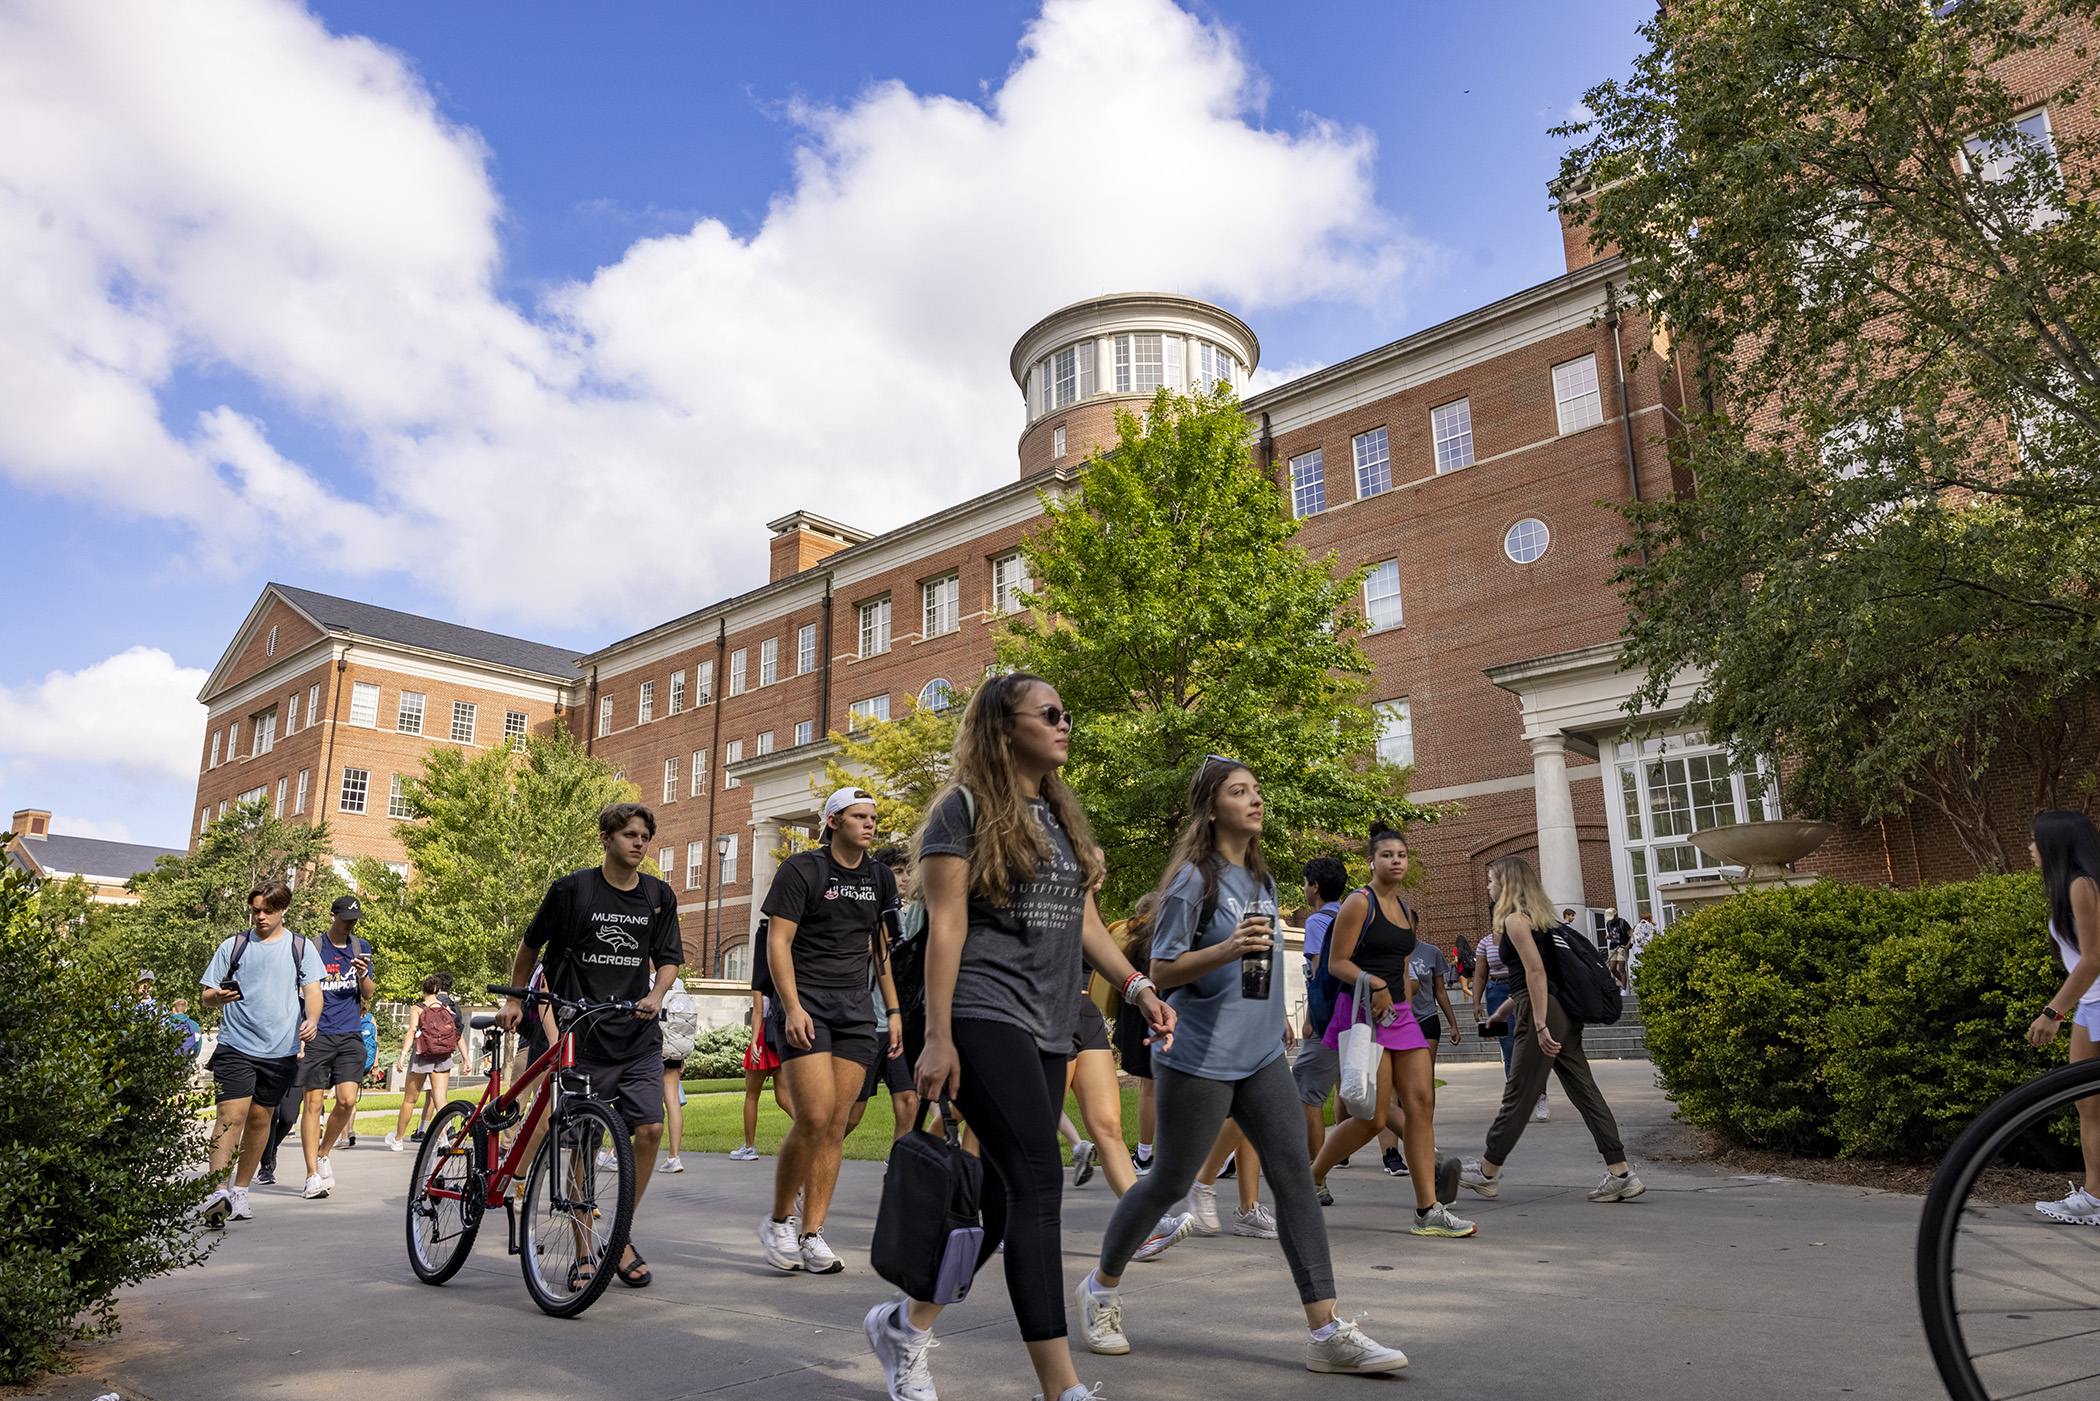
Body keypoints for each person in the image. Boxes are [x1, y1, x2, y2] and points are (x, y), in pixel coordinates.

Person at [862, 672, 1173, 1401]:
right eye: (1050, 713)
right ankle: (1061, 1388)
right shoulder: (960, 810)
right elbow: (946, 926)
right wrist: (938, 1035)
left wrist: (1137, 985)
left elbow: (1087, 924)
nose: (1066, 723)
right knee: (1039, 1177)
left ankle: (904, 1326)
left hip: (1051, 1019)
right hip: (981, 1011)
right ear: (1005, 728)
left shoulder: (1062, 817)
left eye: (1067, 712)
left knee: (1003, 1202)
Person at [1077, 758, 1412, 1378]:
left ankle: (1327, 1330)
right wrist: (1227, 948)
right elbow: (1167, 968)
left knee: (1294, 1181)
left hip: (1259, 1056)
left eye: (1257, 789)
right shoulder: (1191, 881)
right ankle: (1100, 1287)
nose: (1255, 800)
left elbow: (1256, 962)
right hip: (1199, 1055)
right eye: (1239, 792)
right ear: (1211, 809)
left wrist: (1272, 1016)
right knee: (1170, 1183)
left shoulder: (1262, 878)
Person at [498, 801, 683, 1288]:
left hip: (637, 1033)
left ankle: (618, 1232)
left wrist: (656, 993)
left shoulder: (658, 896)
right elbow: (531, 944)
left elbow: (667, 959)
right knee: (585, 1141)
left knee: (649, 1131)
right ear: (605, 837)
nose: (639, 842)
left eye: (645, 835)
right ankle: (584, 1249)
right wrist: (518, 999)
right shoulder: (573, 890)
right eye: (629, 834)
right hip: (582, 1035)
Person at [759, 787, 904, 1275]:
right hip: (807, 1004)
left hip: (855, 1009)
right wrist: (792, 1007)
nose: (870, 824)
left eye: (874, 817)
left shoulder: (880, 876)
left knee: (838, 1123)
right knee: (814, 1116)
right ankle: (780, 1220)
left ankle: (812, 1233)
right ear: (834, 820)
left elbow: (879, 947)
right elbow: (778, 943)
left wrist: (895, 1011)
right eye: (860, 816)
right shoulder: (802, 870)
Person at [1307, 825, 1474, 1236]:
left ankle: (1427, 1210)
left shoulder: (1401, 908)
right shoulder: (1357, 904)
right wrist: (1376, 984)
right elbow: (1336, 963)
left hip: (1400, 1015)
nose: (1396, 860)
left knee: (1421, 1104)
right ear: (1372, 861)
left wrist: (1403, 995)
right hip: (1363, 1012)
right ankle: (1311, 1177)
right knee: (1374, 1117)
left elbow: (1402, 962)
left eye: (1401, 854)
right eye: (1387, 855)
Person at [1459, 856, 1643, 1203]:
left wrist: (1540, 1024)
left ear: (1506, 883)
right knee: (1584, 1089)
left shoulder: (1514, 920)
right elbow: (1537, 978)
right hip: (1560, 1011)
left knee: (1520, 1092)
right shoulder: (1542, 920)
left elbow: (1535, 974)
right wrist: (1502, 1009)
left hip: (1541, 1011)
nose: (1488, 887)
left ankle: (1486, 1172)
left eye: (1491, 880)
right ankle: (1620, 1172)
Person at [197, 881, 325, 1226]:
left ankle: (240, 1191)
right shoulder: (234, 945)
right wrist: (217, 998)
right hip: (236, 1044)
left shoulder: (300, 947)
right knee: (230, 1115)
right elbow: (207, 994)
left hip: (279, 1050)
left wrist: (311, 1020)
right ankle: (217, 1191)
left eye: (268, 910)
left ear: (283, 910)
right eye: (255, 910)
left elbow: (313, 992)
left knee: (259, 1119)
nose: (260, 916)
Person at [2026, 811, 2100, 1223]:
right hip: (2092, 1005)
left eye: (2035, 841)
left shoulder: (2082, 886)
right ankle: (2094, 1198)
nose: (2031, 848)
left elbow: (2094, 960)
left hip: (2097, 1001)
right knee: (2087, 1104)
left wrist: (2053, 1012)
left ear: (2057, 844)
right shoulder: (2075, 885)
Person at [293, 895, 372, 1199]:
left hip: (350, 1032)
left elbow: (368, 993)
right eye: (346, 918)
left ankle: (324, 1152)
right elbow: (300, 991)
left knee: (347, 1101)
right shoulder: (312, 949)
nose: (351, 923)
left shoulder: (359, 947)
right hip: (318, 1034)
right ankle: (312, 1174)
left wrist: (363, 973)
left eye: (355, 919)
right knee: (312, 1104)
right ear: (332, 916)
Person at [845, 845, 921, 1143]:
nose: (905, 879)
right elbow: (853, 956)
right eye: (898, 872)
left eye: (907, 872)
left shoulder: (902, 917)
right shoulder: (860, 911)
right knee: (851, 1114)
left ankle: (898, 1172)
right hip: (862, 1025)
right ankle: (810, 1165)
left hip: (894, 1027)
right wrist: (879, 940)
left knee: (909, 1102)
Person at [1383, 924, 1461, 1179]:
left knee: (1422, 1084)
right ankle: (1392, 1153)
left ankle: (1424, 1135)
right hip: (1393, 1021)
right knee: (1391, 1089)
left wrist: (1452, 1023)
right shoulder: (1385, 952)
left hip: (1425, 1020)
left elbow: (1439, 990)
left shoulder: (1431, 952)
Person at [732, 988, 793, 1160]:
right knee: (783, 1097)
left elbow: (758, 1012)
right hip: (780, 1037)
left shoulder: (761, 978)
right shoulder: (784, 976)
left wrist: (752, 1042)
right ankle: (812, 1131)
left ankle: (749, 1147)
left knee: (751, 1096)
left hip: (762, 1036)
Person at [660, 974, 698, 1173]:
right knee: (673, 1102)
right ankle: (674, 1157)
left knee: (639, 1099)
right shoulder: (679, 984)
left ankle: (616, 1154)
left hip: (654, 1047)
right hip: (675, 1049)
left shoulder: (650, 981)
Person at [1604, 906, 1633, 989]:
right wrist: (1609, 937)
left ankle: (1624, 988)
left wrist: (1626, 947)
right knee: (1612, 968)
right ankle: (1625, 984)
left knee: (1622, 967)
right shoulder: (1609, 924)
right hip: (1613, 946)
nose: (1611, 920)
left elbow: (1631, 935)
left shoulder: (1623, 923)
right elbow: (1612, 934)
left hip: (1622, 946)